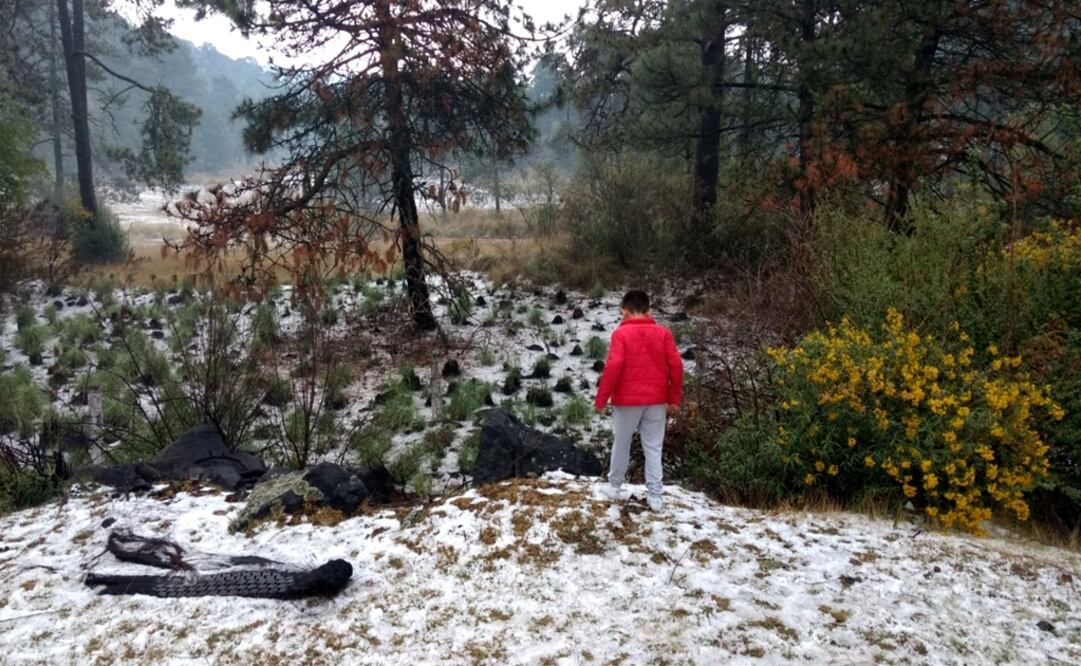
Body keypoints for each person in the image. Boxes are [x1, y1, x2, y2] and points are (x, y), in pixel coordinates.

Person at [594, 290, 684, 511]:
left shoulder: (620, 334)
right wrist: (673, 397)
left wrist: (602, 398)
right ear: (649, 310)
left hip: (626, 400)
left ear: (623, 311)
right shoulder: (664, 333)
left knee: (622, 442)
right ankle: (655, 496)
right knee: (653, 447)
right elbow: (676, 366)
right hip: (656, 399)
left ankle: (614, 486)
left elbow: (614, 366)